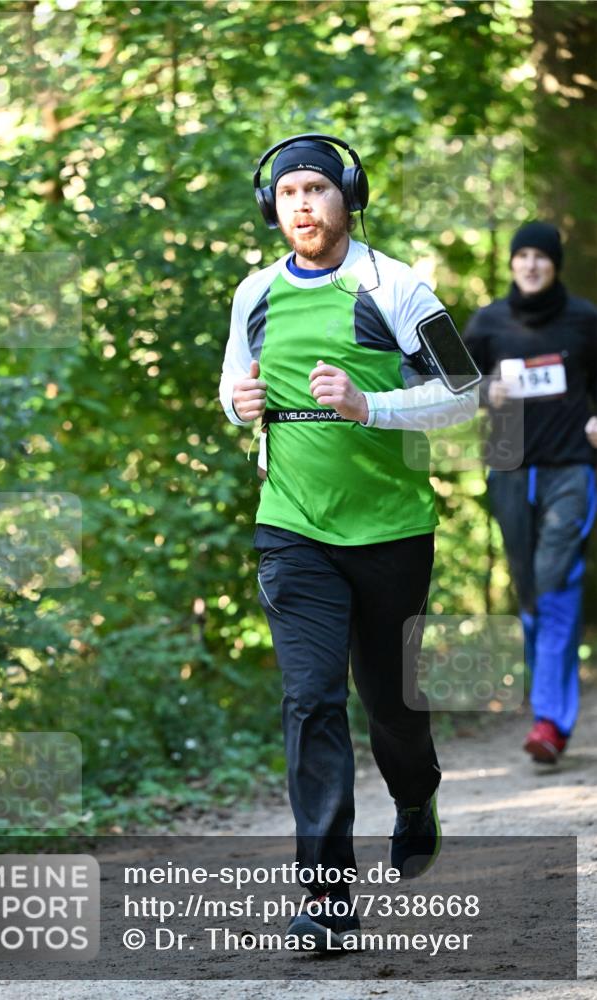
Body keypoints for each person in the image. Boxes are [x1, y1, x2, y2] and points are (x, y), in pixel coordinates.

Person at [219, 134, 478, 950]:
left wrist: (371, 406)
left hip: (391, 529)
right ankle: (327, 899)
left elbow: (463, 391)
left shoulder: (395, 285)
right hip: (291, 525)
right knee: (310, 700)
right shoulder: (254, 293)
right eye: (287, 191)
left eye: (316, 189)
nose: (301, 204)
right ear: (272, 207)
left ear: (347, 197)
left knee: (390, 703)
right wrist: (239, 403)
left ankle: (413, 796)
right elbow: (232, 388)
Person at [464, 221, 597, 764]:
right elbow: (447, 381)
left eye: (542, 256)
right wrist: (482, 389)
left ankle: (549, 719)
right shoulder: (490, 322)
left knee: (554, 575)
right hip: (510, 467)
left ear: (555, 264)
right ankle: (551, 708)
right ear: (513, 264)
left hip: (571, 468)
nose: (532, 264)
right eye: (524, 256)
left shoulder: (585, 320)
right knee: (529, 586)